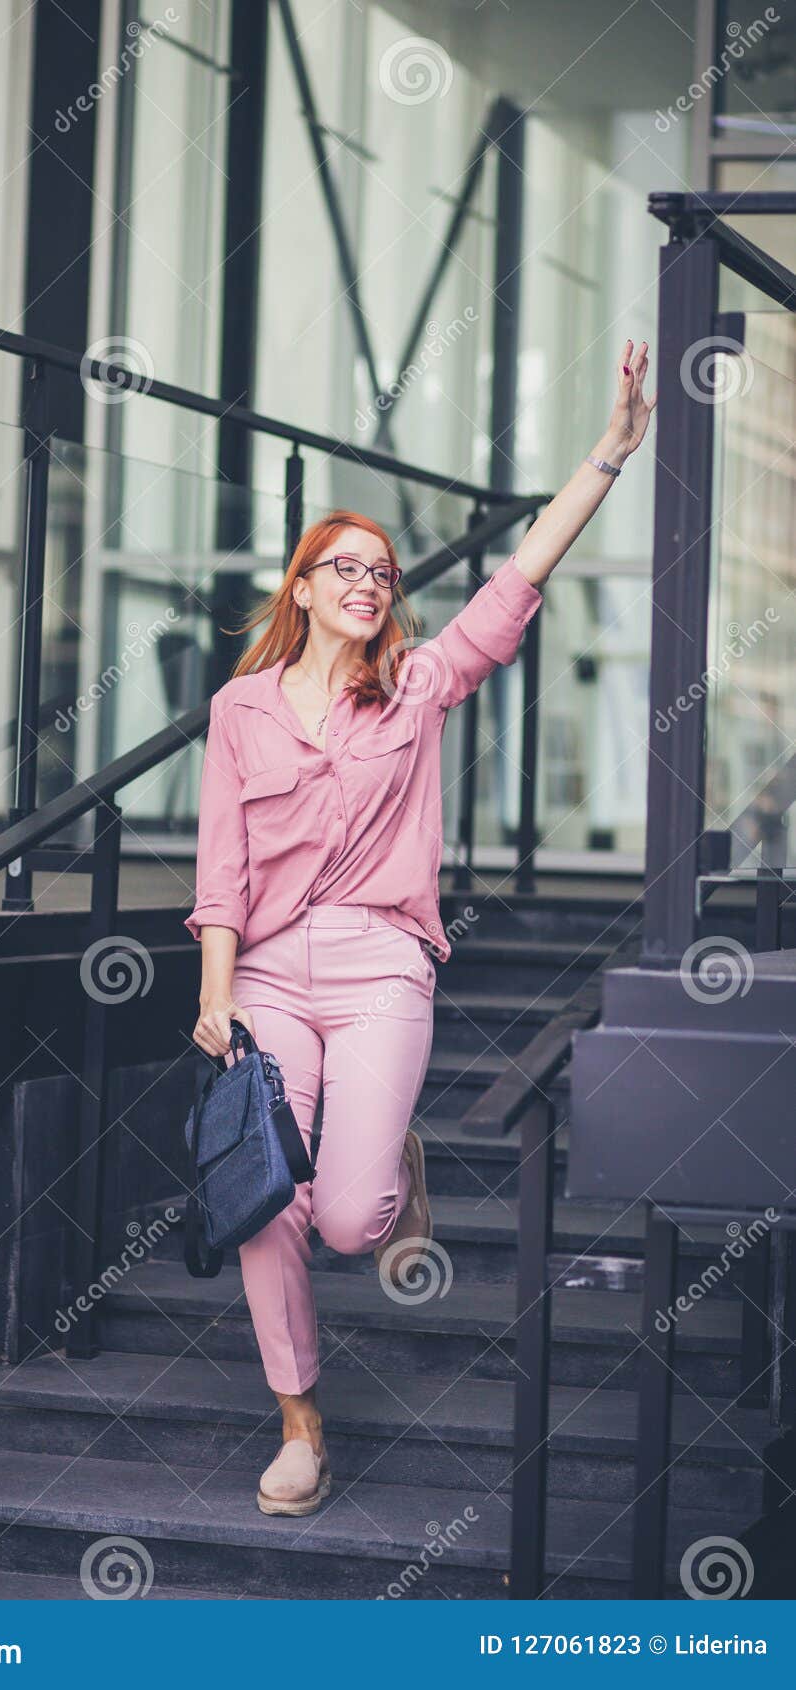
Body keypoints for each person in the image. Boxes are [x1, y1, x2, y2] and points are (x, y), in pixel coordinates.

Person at [186, 340, 656, 1516]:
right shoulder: (239, 709)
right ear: (300, 589)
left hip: (380, 962)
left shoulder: (418, 686)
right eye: (344, 566)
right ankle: (300, 1423)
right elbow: (221, 866)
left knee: (350, 1218)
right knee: (264, 1197)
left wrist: (603, 455)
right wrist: (214, 990)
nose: (368, 580)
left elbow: (513, 584)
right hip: (271, 982)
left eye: (382, 570)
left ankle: (391, 1154)